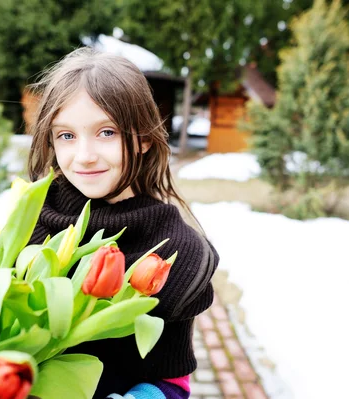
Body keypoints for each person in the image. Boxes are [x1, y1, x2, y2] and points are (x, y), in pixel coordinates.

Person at [26, 47, 219, 399]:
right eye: (66, 135)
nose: (85, 156)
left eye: (107, 132)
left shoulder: (174, 250)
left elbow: (173, 383)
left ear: (144, 137)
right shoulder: (26, 226)